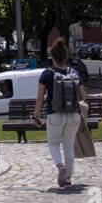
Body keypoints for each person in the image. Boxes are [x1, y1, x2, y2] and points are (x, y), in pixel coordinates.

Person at [33, 39, 86, 188]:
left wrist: (36, 116)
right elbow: (83, 96)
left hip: (54, 114)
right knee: (69, 145)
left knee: (53, 143)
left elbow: (39, 98)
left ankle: (59, 166)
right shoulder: (74, 73)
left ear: (53, 56)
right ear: (65, 56)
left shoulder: (47, 74)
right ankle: (68, 178)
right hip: (74, 115)